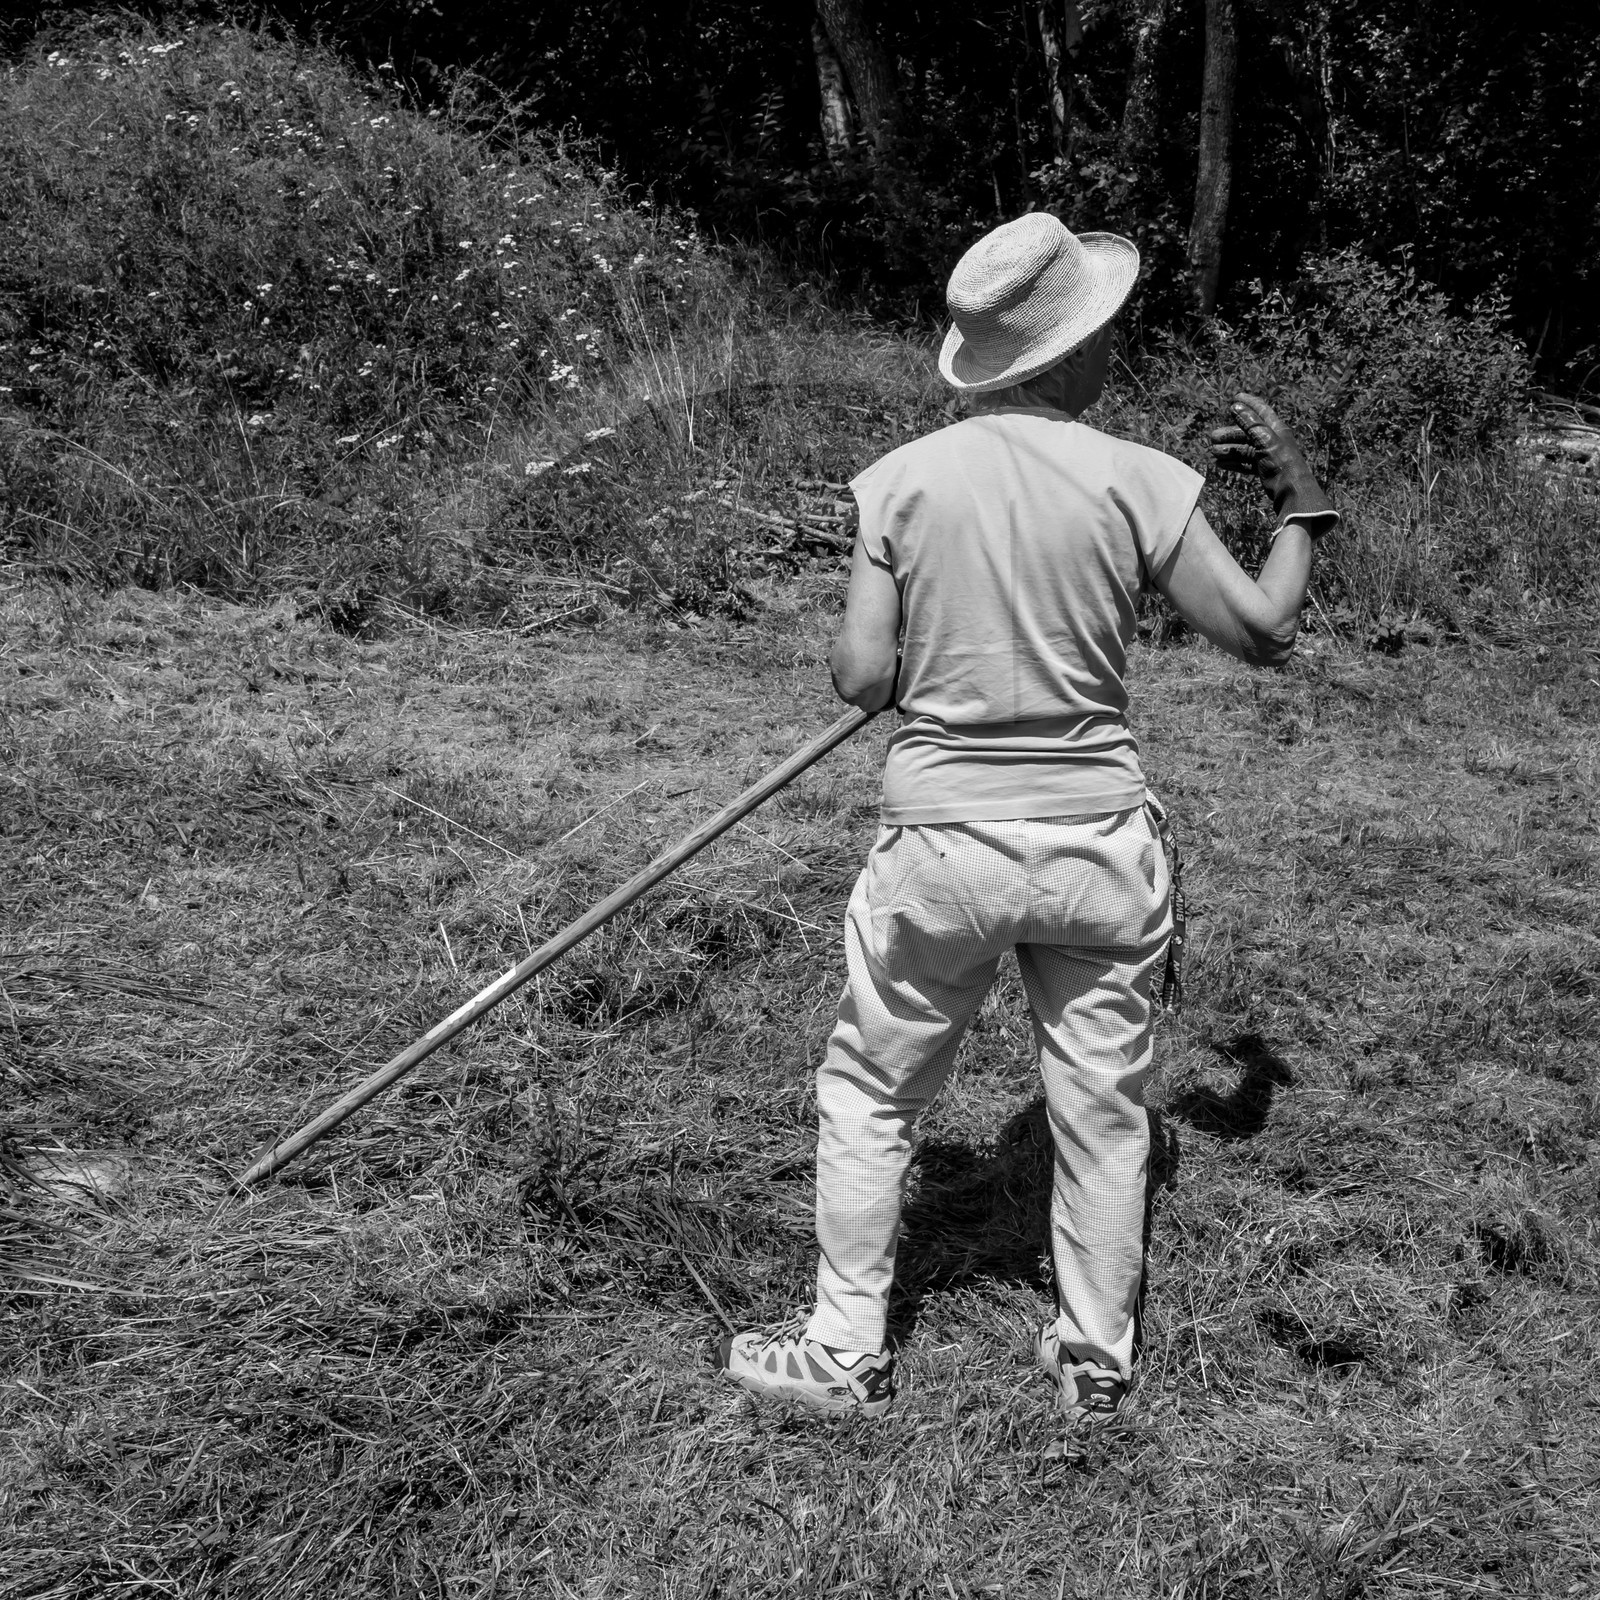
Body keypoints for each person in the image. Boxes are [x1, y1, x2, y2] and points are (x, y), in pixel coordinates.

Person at [715, 213, 1338, 1423]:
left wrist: (926, 647)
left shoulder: (899, 481)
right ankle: (1095, 1363)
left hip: (943, 843)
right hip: (1099, 842)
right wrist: (1300, 503)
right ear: (1066, 350)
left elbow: (860, 678)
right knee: (1104, 1109)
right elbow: (1265, 631)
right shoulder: (1138, 479)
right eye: (1106, 331)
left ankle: (845, 1351)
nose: (1117, 350)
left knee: (874, 1092)